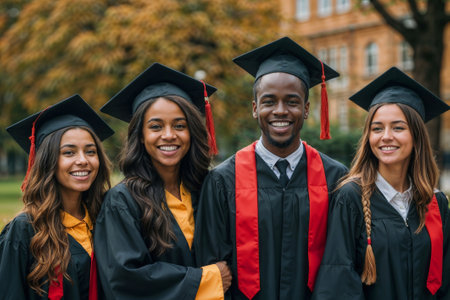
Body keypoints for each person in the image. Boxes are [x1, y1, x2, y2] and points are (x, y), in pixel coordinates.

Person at [194, 36, 348, 299]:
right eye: (268, 101)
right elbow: (212, 269)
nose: (280, 110)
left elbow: (343, 265)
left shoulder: (335, 178)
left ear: (307, 109)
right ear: (255, 109)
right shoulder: (222, 181)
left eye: (291, 101)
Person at [94, 62, 231, 300]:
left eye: (180, 125)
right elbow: (124, 280)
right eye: (156, 126)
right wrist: (207, 280)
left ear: (192, 132)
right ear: (141, 135)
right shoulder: (122, 202)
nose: (169, 135)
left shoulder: (206, 189)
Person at [312, 67, 450, 300]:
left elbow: (444, 283)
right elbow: (339, 281)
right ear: (369, 137)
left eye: (398, 127)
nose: (386, 136)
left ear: (416, 136)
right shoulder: (351, 197)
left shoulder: (435, 203)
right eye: (377, 128)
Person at [0, 94, 114, 300]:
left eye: (90, 151)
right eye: (69, 153)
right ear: (48, 161)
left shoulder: (105, 219)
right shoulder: (25, 230)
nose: (83, 160)